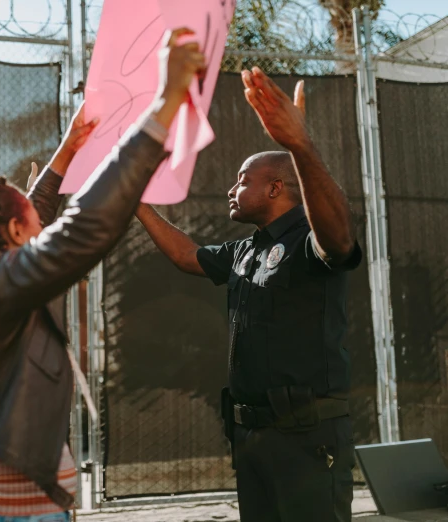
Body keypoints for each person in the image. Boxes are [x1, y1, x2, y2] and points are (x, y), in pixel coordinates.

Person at [0, 28, 206, 521]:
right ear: (15, 233)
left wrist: (68, 150)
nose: (45, 225)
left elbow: (30, 217)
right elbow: (81, 230)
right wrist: (162, 105)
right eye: (37, 226)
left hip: (34, 509)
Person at [135, 68, 361, 522]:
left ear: (276, 188)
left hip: (307, 437)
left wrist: (300, 146)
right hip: (253, 437)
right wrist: (135, 203)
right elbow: (188, 256)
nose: (231, 189)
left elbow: (338, 240)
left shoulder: (308, 238)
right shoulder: (245, 248)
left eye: (242, 180)